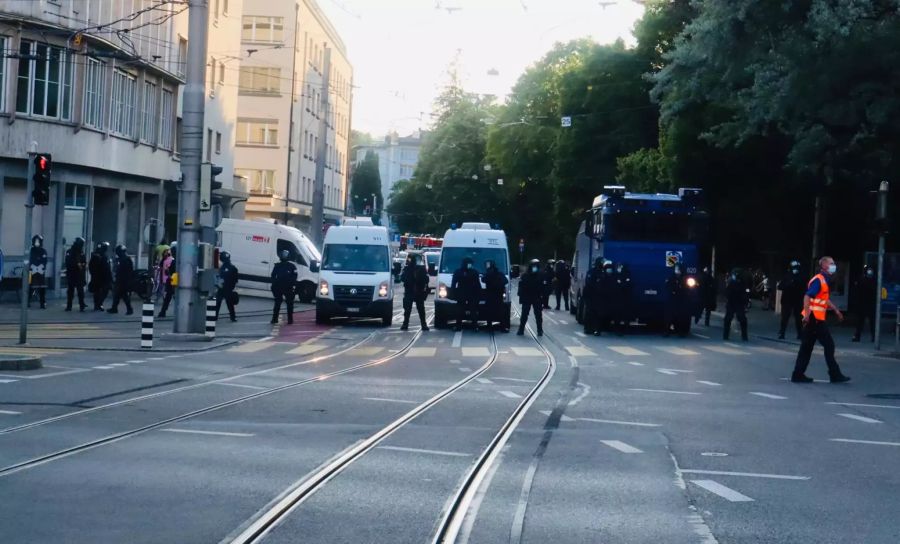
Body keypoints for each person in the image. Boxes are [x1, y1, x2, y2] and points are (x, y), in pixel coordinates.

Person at [792, 256, 851, 383]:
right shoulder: (819, 280)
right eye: (831, 263)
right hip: (814, 319)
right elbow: (807, 296)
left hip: (814, 319)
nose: (833, 265)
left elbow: (824, 299)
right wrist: (807, 315)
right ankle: (834, 374)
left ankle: (797, 374)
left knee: (806, 347)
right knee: (829, 345)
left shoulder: (823, 280)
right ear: (824, 265)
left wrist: (835, 310)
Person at [451, 256, 482, 331]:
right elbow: (478, 285)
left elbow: (453, 284)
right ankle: (475, 326)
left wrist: (454, 293)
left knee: (461, 310)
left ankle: (459, 326)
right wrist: (479, 294)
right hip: (471, 294)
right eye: (470, 264)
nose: (470, 265)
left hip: (462, 293)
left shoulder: (458, 271)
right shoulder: (474, 272)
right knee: (472, 310)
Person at [400, 253, 429, 331]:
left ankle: (407, 324)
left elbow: (402, 278)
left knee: (413, 310)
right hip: (413, 291)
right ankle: (422, 324)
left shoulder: (409, 269)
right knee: (415, 309)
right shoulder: (415, 269)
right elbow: (427, 280)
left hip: (415, 291)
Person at [777, 260, 805, 339]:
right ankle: (782, 333)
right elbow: (780, 286)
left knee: (798, 319)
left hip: (797, 300)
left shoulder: (801, 277)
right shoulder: (787, 276)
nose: (795, 269)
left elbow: (804, 289)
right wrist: (789, 284)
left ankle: (800, 334)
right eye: (794, 268)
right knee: (785, 318)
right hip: (787, 300)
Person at [517, 259, 545, 336]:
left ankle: (540, 330)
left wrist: (543, 298)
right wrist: (521, 297)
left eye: (536, 266)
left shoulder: (541, 275)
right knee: (524, 314)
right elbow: (521, 287)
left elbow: (543, 287)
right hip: (527, 297)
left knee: (538, 315)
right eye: (534, 266)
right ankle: (521, 329)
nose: (535, 268)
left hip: (536, 297)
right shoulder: (525, 275)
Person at [271, 250, 298, 324]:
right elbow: (273, 275)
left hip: (286, 287)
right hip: (282, 287)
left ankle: (288, 319)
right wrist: (274, 284)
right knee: (281, 303)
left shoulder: (291, 266)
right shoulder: (279, 266)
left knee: (286, 303)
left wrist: (292, 284)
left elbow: (295, 276)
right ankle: (277, 319)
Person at [852, 265, 877, 343]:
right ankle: (857, 336)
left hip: (870, 304)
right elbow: (857, 291)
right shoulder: (862, 279)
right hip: (862, 303)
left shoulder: (874, 280)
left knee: (872, 322)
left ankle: (874, 337)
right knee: (860, 321)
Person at [723, 269, 749, 341]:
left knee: (740, 319)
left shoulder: (739, 283)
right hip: (734, 303)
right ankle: (726, 336)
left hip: (736, 303)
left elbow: (745, 294)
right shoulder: (732, 283)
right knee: (729, 319)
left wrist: (745, 302)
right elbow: (727, 293)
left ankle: (744, 336)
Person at [483, 259, 508, 331]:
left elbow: (483, 279)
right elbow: (505, 281)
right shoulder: (499, 274)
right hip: (498, 296)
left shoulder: (489, 274)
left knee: (489, 312)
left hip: (491, 296)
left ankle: (489, 326)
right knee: (500, 312)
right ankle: (502, 327)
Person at [108, 244, 134, 315]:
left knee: (124, 295)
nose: (117, 253)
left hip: (124, 280)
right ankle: (114, 308)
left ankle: (129, 309)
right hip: (120, 279)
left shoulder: (126, 259)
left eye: (118, 252)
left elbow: (128, 271)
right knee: (117, 295)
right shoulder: (121, 259)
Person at [582, 258, 606, 335]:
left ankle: (597, 329)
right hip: (591, 296)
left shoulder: (603, 272)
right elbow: (589, 284)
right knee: (590, 312)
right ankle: (588, 328)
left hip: (600, 296)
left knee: (599, 314)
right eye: (602, 262)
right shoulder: (592, 272)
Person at [663, 264, 688, 337]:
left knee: (681, 317)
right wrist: (675, 290)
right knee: (669, 317)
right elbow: (668, 287)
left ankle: (680, 332)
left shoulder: (684, 278)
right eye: (676, 269)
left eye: (679, 269)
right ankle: (666, 331)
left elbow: (686, 289)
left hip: (681, 300)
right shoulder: (671, 278)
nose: (677, 271)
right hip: (672, 300)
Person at [64, 237, 88, 312]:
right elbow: (68, 262)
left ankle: (82, 305)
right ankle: (69, 306)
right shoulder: (70, 251)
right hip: (72, 274)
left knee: (80, 291)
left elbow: (84, 262)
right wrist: (76, 264)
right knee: (70, 291)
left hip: (79, 275)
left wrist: (82, 265)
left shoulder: (81, 252)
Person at [215, 251, 239, 322]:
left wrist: (218, 285)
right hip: (228, 289)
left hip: (221, 288)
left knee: (218, 303)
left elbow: (217, 278)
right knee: (230, 304)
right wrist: (232, 287)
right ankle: (233, 317)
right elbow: (235, 280)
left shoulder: (221, 268)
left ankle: (215, 317)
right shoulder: (233, 268)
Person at [88, 242, 112, 311]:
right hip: (100, 277)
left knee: (100, 291)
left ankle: (98, 304)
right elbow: (93, 267)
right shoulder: (99, 256)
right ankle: (98, 304)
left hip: (100, 277)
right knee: (101, 291)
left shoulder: (101, 255)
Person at [612, 263, 633, 336]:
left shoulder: (626, 275)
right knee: (619, 314)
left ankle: (622, 328)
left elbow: (627, 285)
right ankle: (619, 328)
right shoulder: (618, 275)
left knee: (622, 314)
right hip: (620, 298)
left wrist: (621, 284)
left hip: (623, 298)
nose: (619, 269)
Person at [28, 235, 48, 309]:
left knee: (42, 288)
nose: (37, 243)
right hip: (31, 272)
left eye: (38, 241)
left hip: (40, 271)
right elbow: (29, 259)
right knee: (30, 287)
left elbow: (45, 260)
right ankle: (27, 302)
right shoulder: (31, 250)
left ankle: (42, 303)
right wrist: (32, 267)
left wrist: (40, 267)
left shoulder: (43, 251)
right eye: (35, 241)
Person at [157, 246, 176, 318]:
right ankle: (163, 311)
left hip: (170, 280)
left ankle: (163, 312)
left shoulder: (170, 260)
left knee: (168, 297)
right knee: (171, 296)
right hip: (174, 280)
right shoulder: (174, 260)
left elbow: (165, 269)